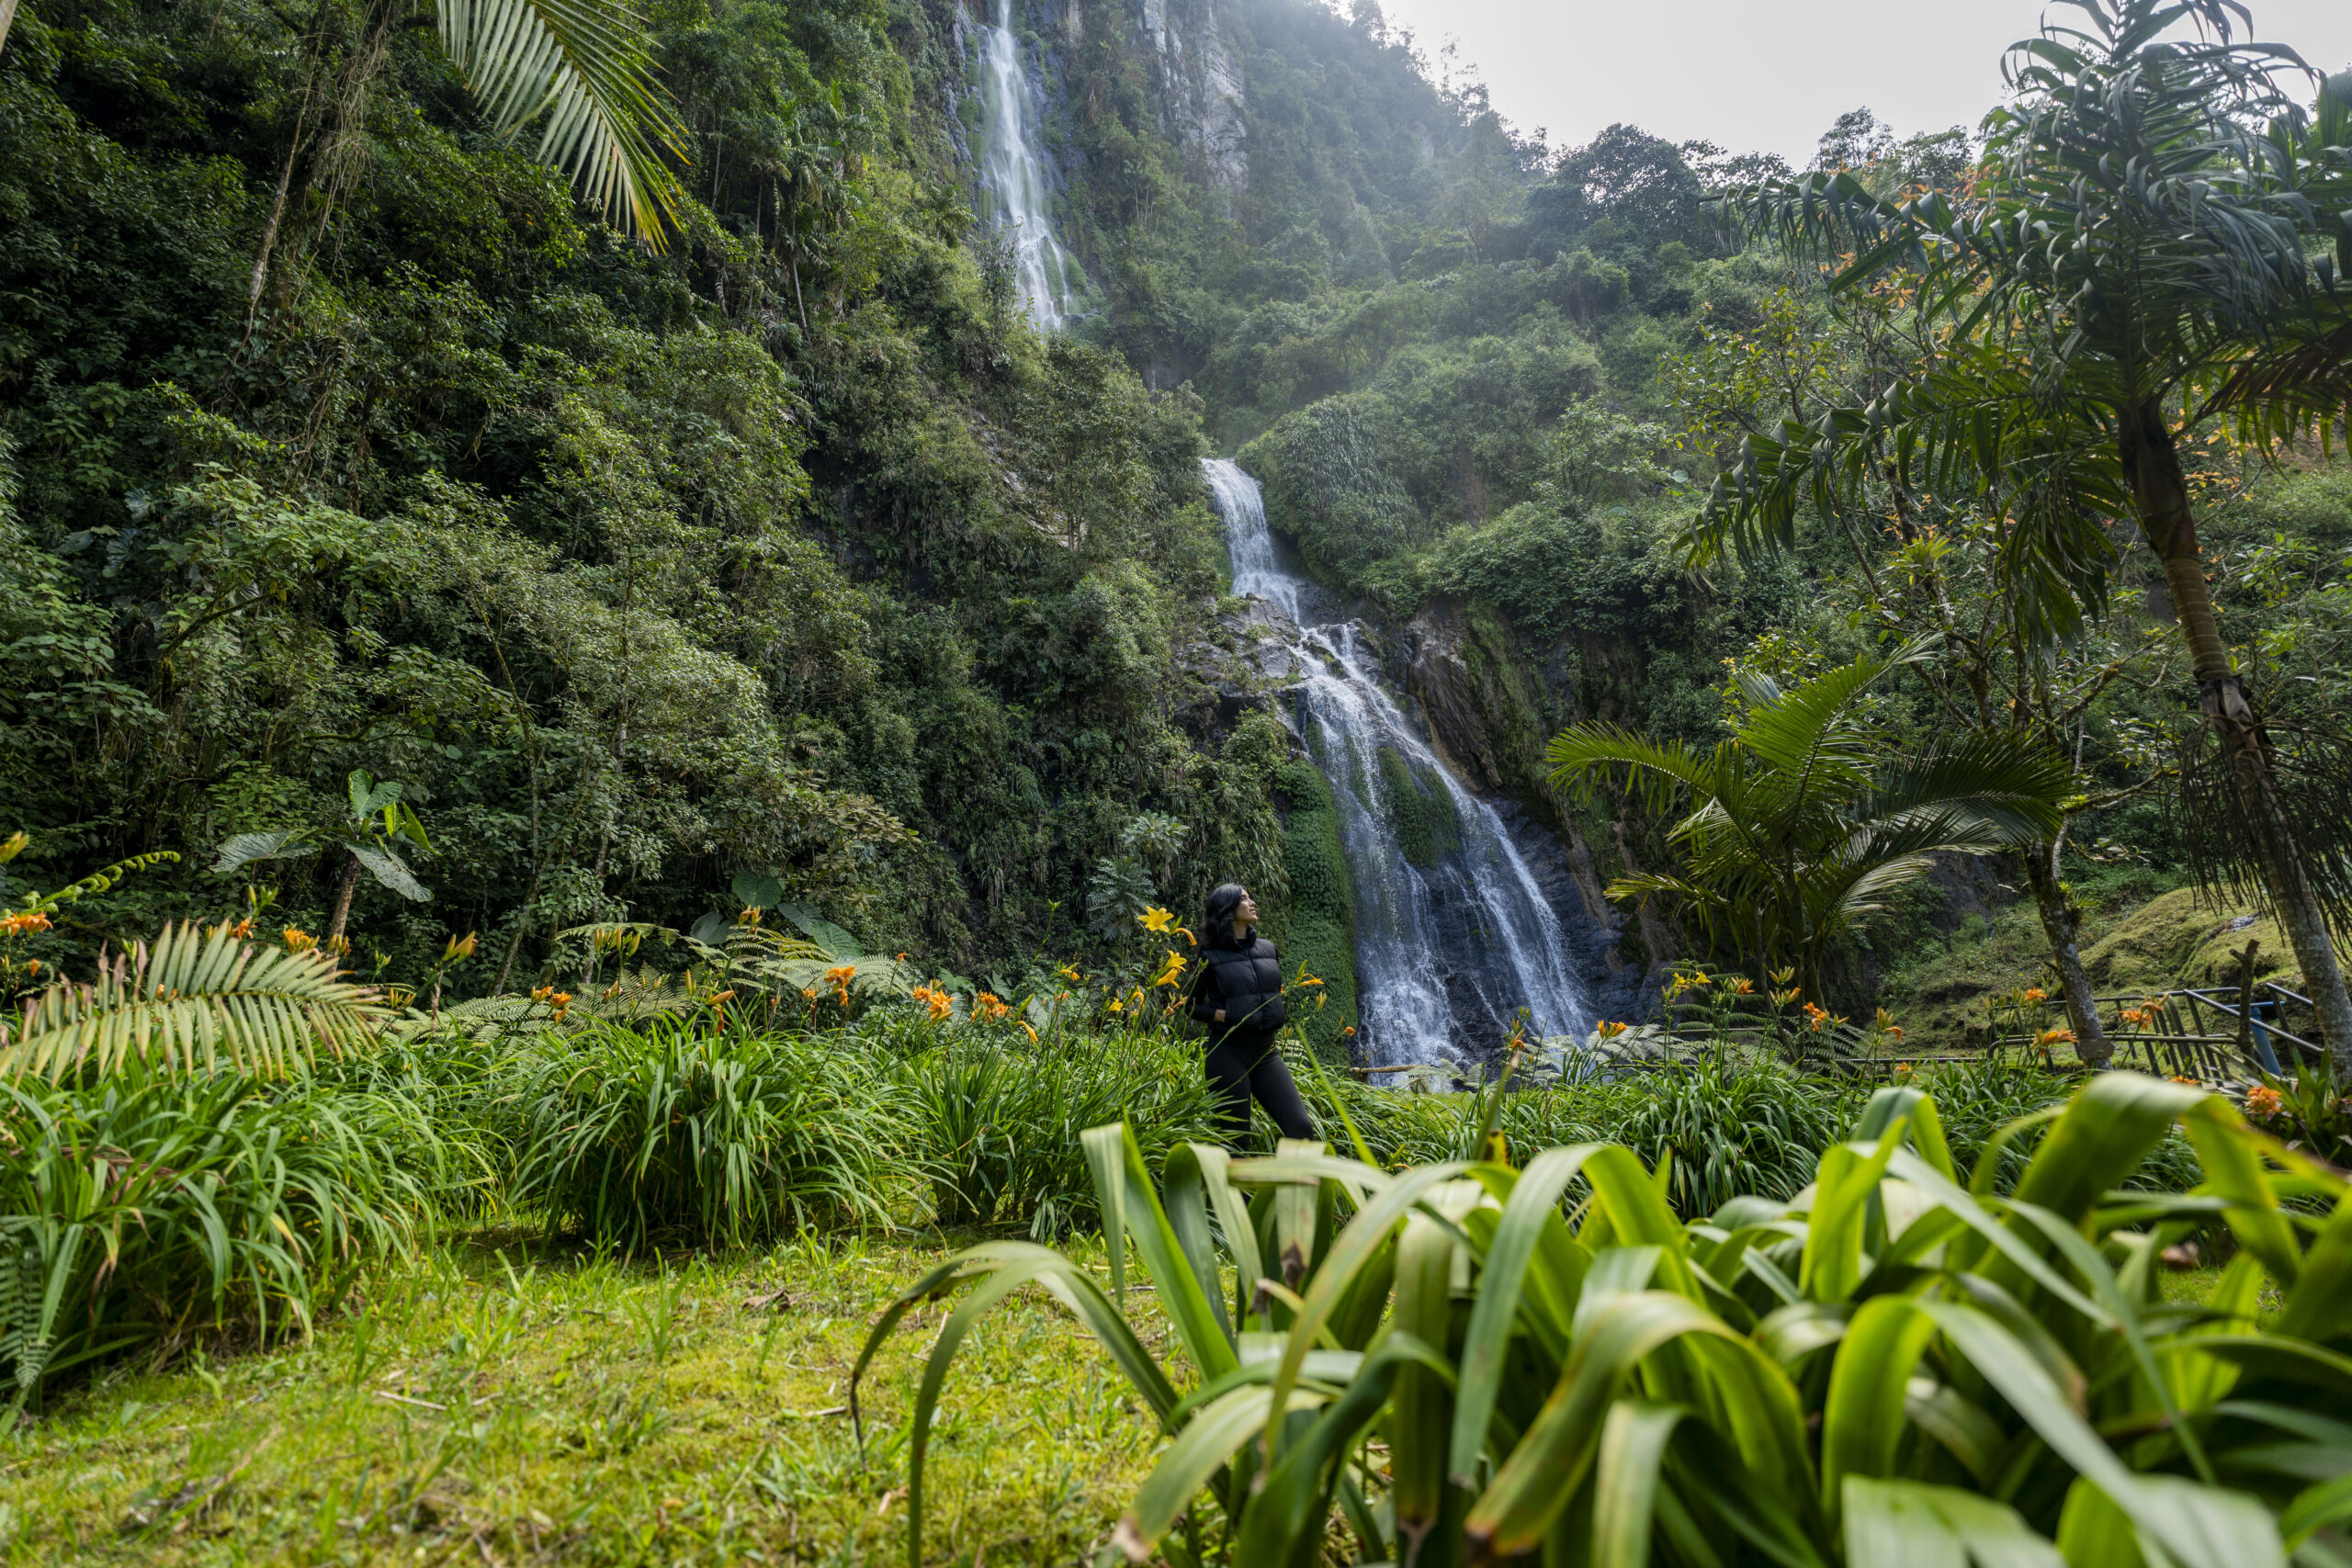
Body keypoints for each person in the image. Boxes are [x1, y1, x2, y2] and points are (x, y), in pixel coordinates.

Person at [1188, 884, 1315, 1147]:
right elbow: (1191, 1006)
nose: (1252, 902)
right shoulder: (1210, 956)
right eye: (1243, 899)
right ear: (1227, 910)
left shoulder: (1268, 949)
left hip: (1267, 1054)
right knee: (1237, 1144)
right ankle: (1228, 1189)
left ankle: (1292, 1188)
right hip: (1228, 1055)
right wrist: (1224, 1014)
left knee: (1300, 1128)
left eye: (1250, 897)